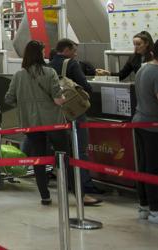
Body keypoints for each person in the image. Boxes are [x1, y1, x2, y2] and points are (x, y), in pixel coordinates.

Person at [5, 40, 72, 206]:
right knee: (64, 155)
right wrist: (64, 97)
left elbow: (9, 98)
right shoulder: (49, 73)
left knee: (38, 158)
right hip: (53, 122)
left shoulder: (19, 75)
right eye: (43, 52)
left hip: (30, 123)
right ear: (39, 54)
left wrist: (24, 105)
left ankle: (45, 195)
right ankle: (72, 191)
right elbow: (57, 100)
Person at [48, 39, 104, 201]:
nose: (75, 53)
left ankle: (65, 181)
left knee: (64, 149)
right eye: (73, 50)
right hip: (74, 111)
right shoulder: (71, 64)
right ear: (65, 50)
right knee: (80, 148)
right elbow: (86, 87)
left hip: (57, 113)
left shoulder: (49, 66)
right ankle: (84, 184)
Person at [133, 42, 158, 223]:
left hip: (139, 121)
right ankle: (156, 209)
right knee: (154, 167)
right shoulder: (156, 72)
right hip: (153, 126)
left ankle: (144, 205)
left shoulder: (143, 68)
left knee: (143, 164)